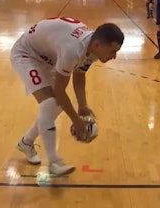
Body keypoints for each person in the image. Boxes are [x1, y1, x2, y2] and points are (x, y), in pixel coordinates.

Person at [11, 17, 123, 176]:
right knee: (50, 103)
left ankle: (26, 143)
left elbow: (79, 75)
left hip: (48, 57)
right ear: (98, 44)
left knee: (55, 107)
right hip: (27, 54)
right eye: (112, 51)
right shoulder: (73, 49)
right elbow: (59, 91)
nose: (114, 56)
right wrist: (76, 121)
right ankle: (54, 163)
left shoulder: (92, 46)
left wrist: (82, 106)